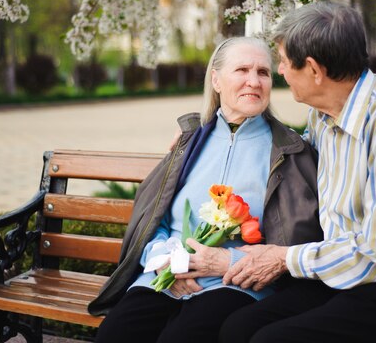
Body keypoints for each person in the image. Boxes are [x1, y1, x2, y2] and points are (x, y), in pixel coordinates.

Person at [219, 1, 376, 343]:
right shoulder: (325, 115)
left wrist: (285, 258)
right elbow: (289, 155)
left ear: (313, 70)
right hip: (351, 273)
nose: (279, 70)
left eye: (283, 61)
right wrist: (209, 135)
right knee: (237, 328)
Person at [89, 36, 323, 343]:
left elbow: (295, 241)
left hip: (235, 283)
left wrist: (233, 264)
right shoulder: (189, 142)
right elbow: (153, 221)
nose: (253, 81)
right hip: (164, 277)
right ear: (216, 79)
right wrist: (169, 264)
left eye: (263, 72)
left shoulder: (290, 151)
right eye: (242, 70)